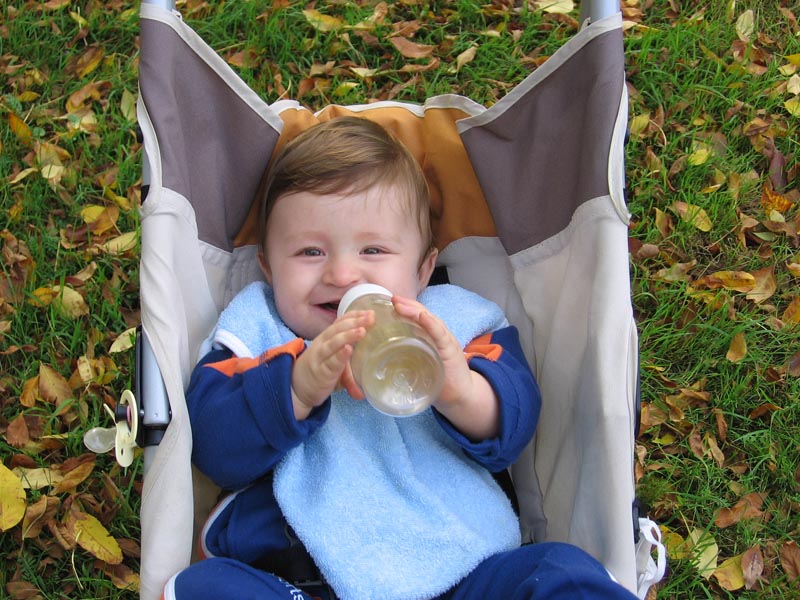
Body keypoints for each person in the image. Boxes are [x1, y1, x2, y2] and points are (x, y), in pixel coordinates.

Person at [164, 117, 638, 600]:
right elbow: (212, 447)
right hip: (301, 578)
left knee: (560, 571)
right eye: (309, 252)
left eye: (373, 249)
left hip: (464, 573)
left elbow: (517, 424)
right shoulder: (257, 332)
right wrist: (295, 390)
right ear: (268, 267)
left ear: (423, 269)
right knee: (207, 589)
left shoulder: (456, 325)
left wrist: (462, 391)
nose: (343, 274)